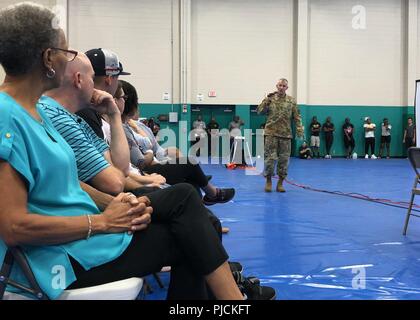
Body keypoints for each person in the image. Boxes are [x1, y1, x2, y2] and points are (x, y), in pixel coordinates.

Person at [0, 3, 275, 300]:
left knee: (187, 218)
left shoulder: (35, 112)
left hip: (82, 238)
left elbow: (64, 183)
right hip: (59, 259)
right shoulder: (7, 116)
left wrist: (115, 203)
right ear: (47, 59)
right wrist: (102, 221)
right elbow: (14, 226)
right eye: (65, 54)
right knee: (188, 228)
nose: (69, 62)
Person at [257, 78, 304, 192]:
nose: (281, 87)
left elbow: (297, 117)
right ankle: (268, 181)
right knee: (270, 158)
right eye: (280, 85)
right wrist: (266, 102)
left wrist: (299, 130)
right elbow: (259, 111)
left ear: (287, 88)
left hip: (285, 134)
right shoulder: (270, 99)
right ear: (276, 86)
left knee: (284, 159)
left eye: (284, 86)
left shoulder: (291, 101)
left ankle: (280, 183)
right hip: (271, 133)